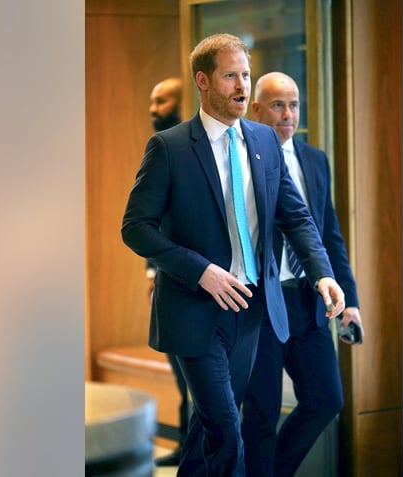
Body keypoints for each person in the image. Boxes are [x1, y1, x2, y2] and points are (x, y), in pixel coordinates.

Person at [122, 33, 346, 477]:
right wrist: (201, 271)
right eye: (230, 76)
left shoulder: (264, 141)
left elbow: (296, 217)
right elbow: (135, 228)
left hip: (251, 310)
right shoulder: (169, 147)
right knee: (226, 427)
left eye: (245, 74)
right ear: (203, 81)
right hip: (194, 308)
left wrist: (322, 272)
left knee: (208, 433)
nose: (242, 85)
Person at [241, 72, 365, 477]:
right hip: (260, 303)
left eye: (294, 105)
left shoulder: (314, 159)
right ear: (256, 109)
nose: (287, 114)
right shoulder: (242, 159)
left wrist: (350, 300)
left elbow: (329, 234)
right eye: (277, 105)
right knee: (260, 415)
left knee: (326, 400)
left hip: (309, 303)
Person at [145, 76, 189, 467]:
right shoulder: (162, 147)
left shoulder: (192, 145)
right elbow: (148, 219)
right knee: (181, 372)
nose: (153, 109)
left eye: (161, 101)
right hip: (172, 280)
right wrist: (150, 274)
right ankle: (188, 444)